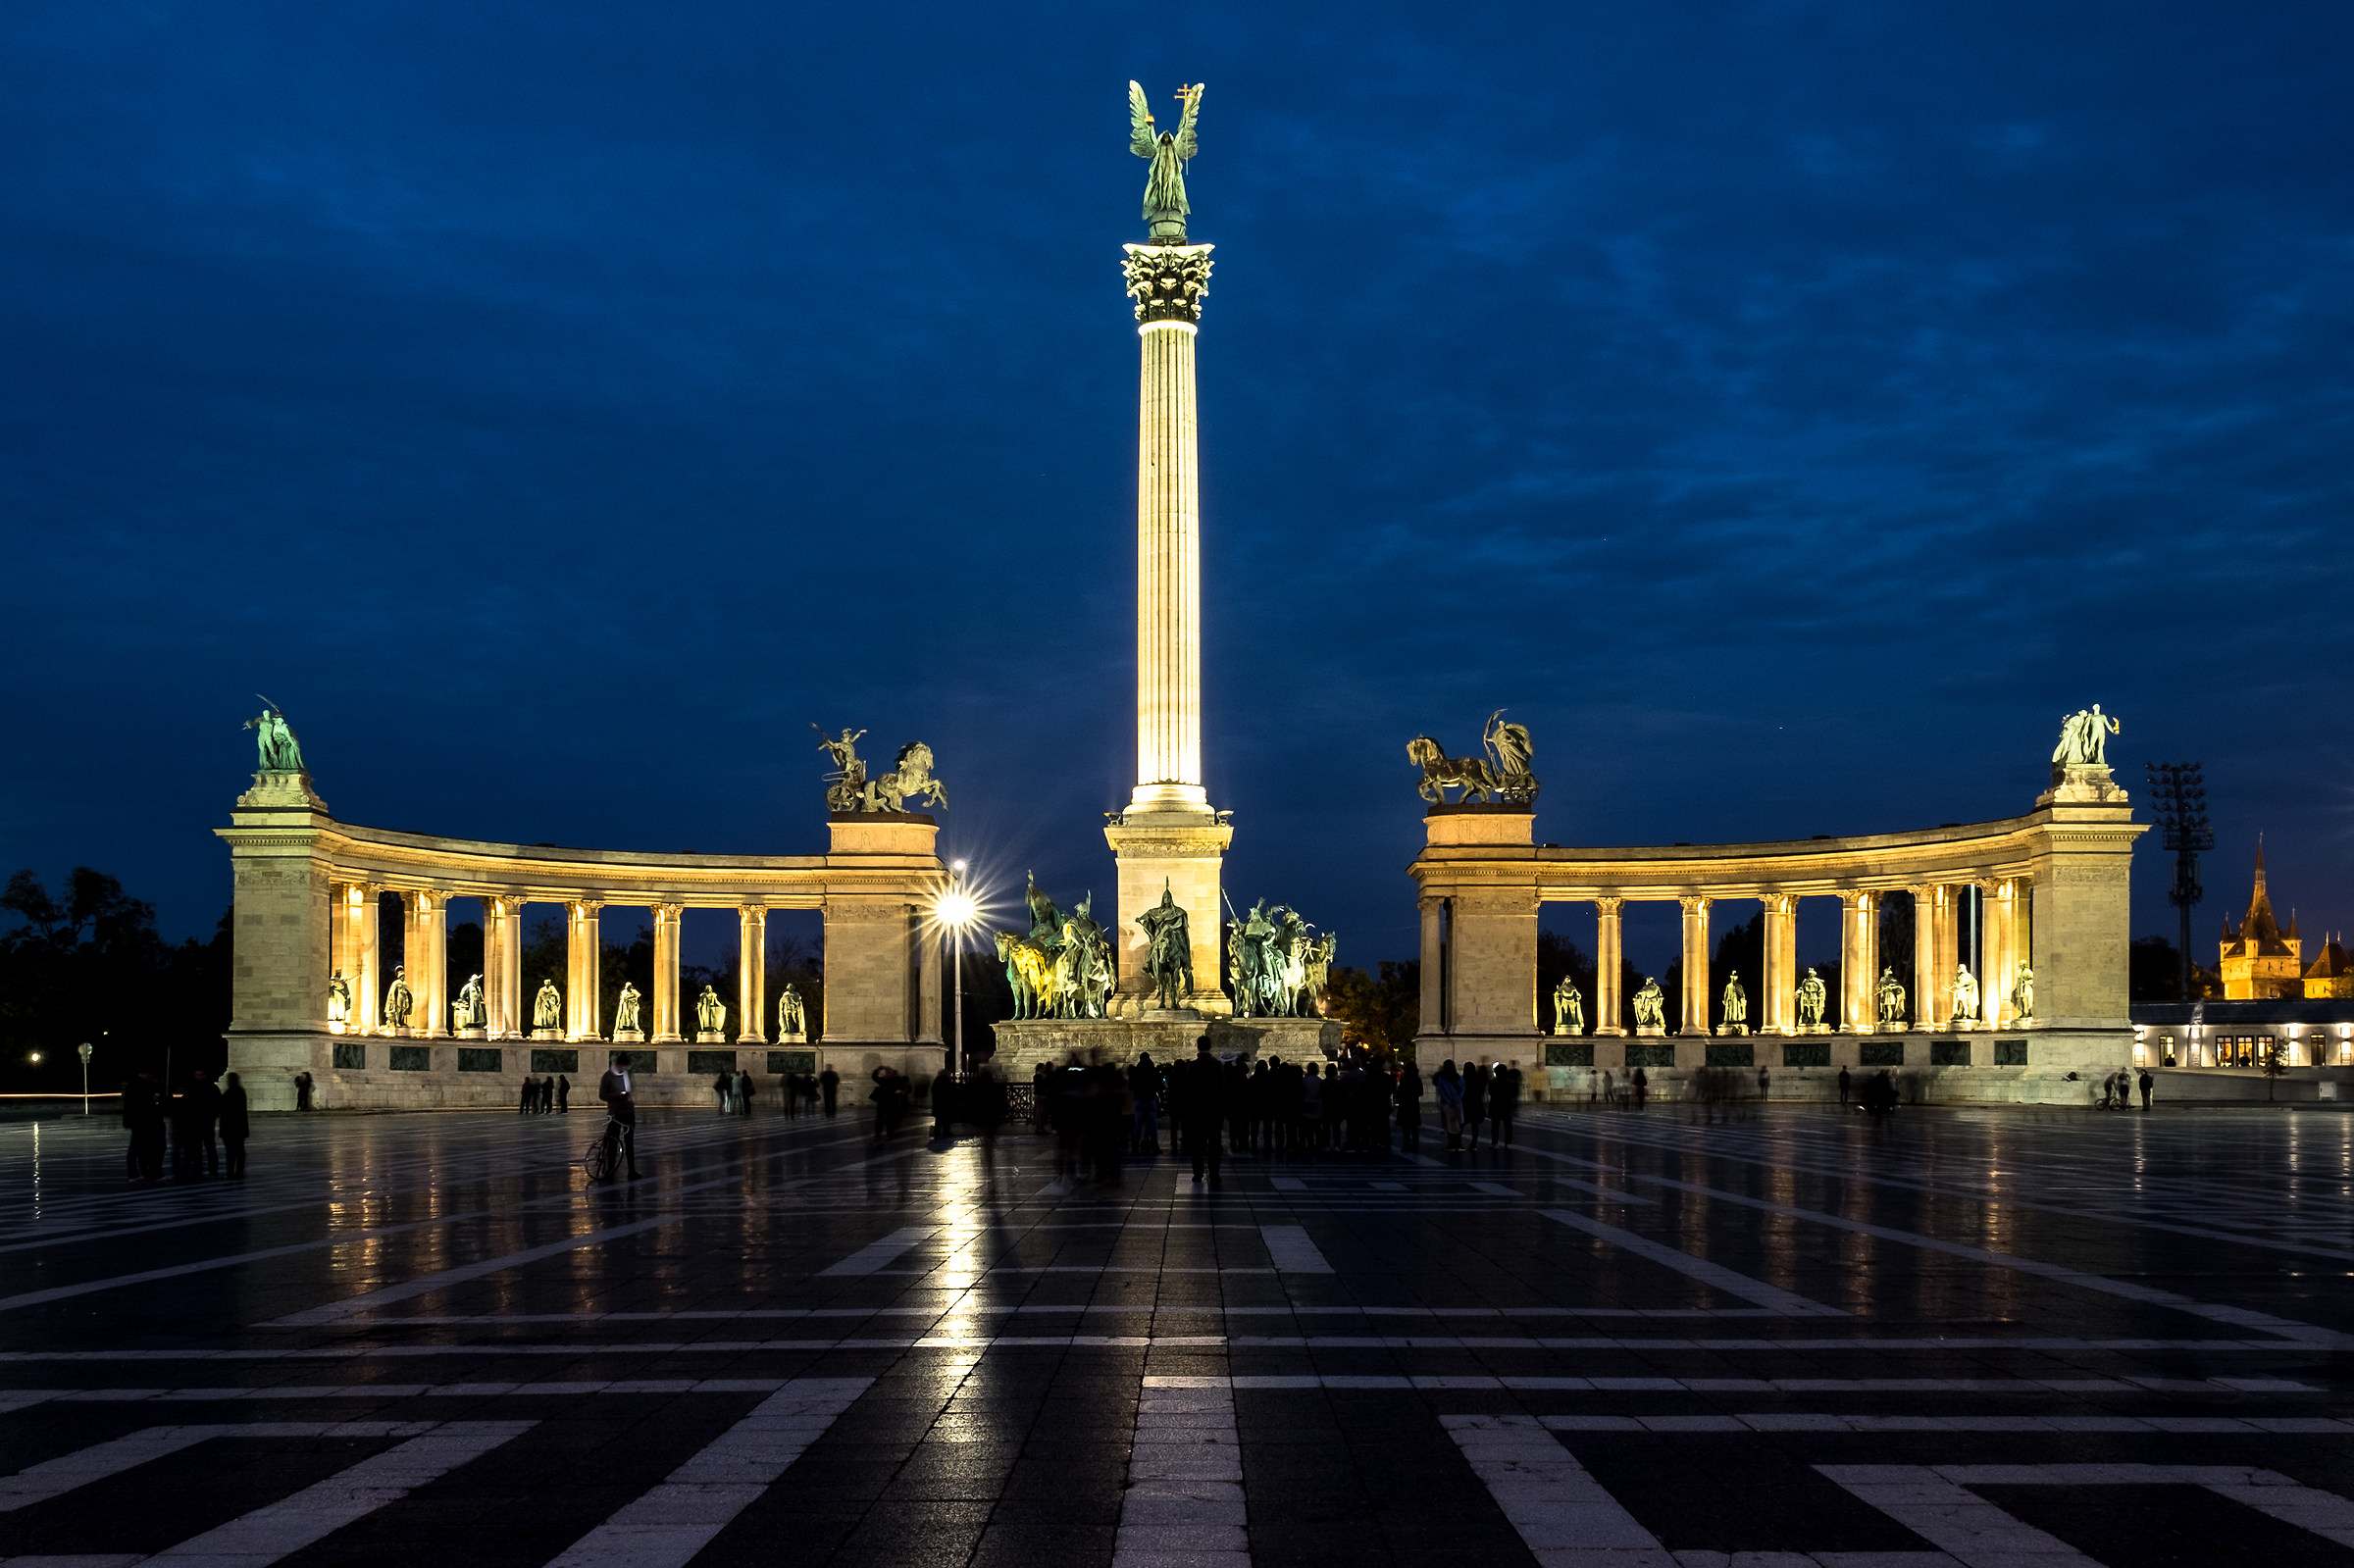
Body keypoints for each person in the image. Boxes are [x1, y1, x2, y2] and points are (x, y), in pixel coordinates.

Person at [1172, 1037, 1228, 1187]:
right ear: (1210, 1046)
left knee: (1197, 1143)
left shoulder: (1192, 1066)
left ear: (1197, 1047)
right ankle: (1214, 1173)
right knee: (1215, 1143)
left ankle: (1198, 1172)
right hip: (1213, 1109)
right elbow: (1222, 1088)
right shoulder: (1217, 1064)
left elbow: (1187, 1088)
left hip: (1197, 1109)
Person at [598, 1052, 643, 1178]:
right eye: (623, 1066)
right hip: (615, 1112)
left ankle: (631, 1170)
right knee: (613, 1142)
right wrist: (617, 1096)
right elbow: (602, 1095)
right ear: (618, 1064)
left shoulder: (628, 1074)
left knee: (630, 1143)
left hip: (628, 1112)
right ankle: (610, 1170)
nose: (625, 1069)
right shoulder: (607, 1077)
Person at [122, 1069, 166, 1183]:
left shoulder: (133, 1085)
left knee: (136, 1149)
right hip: (145, 1122)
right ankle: (152, 1173)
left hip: (137, 1122)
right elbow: (145, 1105)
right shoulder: (143, 1086)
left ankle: (136, 1173)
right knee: (148, 1149)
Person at [1130, 1053, 1163, 1154]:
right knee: (1152, 1124)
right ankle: (1155, 1146)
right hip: (1151, 1099)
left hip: (1139, 1100)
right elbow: (1159, 1085)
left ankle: (1135, 1147)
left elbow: (1132, 1085)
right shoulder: (1153, 1070)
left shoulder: (1136, 1071)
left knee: (1138, 1125)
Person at [219, 1072, 250, 1178]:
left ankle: (230, 1172)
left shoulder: (231, 1092)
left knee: (231, 1152)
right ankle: (239, 1171)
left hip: (230, 1127)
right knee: (239, 1150)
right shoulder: (240, 1091)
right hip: (239, 1127)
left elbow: (225, 1109)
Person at [1435, 1059, 1464, 1150]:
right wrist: (1456, 1099)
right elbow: (1462, 1089)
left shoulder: (1442, 1078)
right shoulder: (1458, 1077)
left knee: (1448, 1122)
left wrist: (1448, 1100)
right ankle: (1458, 1143)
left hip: (1447, 1103)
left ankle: (1451, 1143)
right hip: (1457, 1103)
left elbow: (1441, 1091)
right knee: (1458, 1122)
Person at [1396, 1061, 1424, 1154]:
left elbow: (1400, 1092)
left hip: (1405, 1104)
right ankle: (1415, 1145)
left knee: (1406, 1127)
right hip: (1414, 1104)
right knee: (1414, 1127)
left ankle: (1406, 1145)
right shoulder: (1417, 1079)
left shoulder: (1404, 1079)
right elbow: (1421, 1092)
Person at [1492, 1061, 1520, 1147]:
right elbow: (1514, 1094)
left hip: (1496, 1105)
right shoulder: (1510, 1083)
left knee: (1495, 1126)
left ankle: (1494, 1143)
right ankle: (1508, 1142)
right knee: (1508, 1125)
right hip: (1507, 1105)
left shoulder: (1493, 1082)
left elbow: (1491, 1092)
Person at [1461, 1062, 1489, 1149]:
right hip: (1476, 1103)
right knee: (1474, 1125)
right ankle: (1474, 1143)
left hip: (1466, 1103)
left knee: (1462, 1124)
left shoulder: (1464, 1079)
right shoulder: (1478, 1078)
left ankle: (1457, 1141)